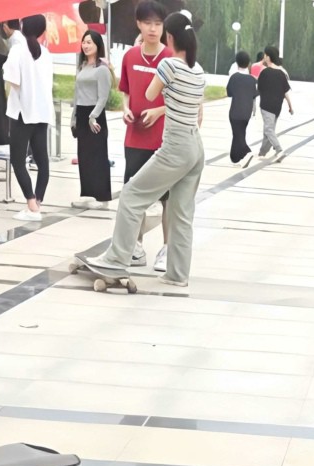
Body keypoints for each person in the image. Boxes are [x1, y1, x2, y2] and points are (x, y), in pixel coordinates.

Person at [82, 11, 205, 287]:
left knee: (131, 194)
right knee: (181, 213)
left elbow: (149, 94)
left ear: (169, 36)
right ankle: (177, 274)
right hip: (195, 146)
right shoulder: (198, 70)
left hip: (175, 145)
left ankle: (116, 260)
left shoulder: (169, 65)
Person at [119, 0, 172, 271]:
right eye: (148, 23)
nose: (153, 29)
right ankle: (135, 247)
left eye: (158, 24)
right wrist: (126, 109)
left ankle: (167, 249)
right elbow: (125, 91)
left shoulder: (171, 59)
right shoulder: (130, 56)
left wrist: (159, 111)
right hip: (135, 138)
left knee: (168, 198)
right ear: (138, 24)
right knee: (133, 194)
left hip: (164, 140)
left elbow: (183, 99)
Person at [4, 15, 52, 222]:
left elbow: (13, 81)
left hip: (22, 112)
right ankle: (37, 203)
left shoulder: (18, 50)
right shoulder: (46, 53)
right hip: (42, 113)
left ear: (23, 27)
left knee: (17, 160)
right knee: (42, 161)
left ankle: (32, 206)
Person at [71, 29, 112, 210]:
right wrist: (74, 117)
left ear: (97, 45)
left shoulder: (102, 69)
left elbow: (103, 97)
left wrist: (93, 116)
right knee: (84, 156)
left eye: (90, 42)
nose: (86, 46)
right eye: (84, 42)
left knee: (98, 156)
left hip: (95, 116)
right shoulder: (82, 67)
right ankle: (87, 194)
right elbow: (76, 94)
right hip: (81, 113)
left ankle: (102, 198)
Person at [257, 45, 293, 160]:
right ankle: (262, 152)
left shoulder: (264, 72)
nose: (264, 57)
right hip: (277, 107)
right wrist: (290, 106)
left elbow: (259, 88)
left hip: (266, 105)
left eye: (265, 55)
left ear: (268, 57)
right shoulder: (281, 73)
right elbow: (285, 92)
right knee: (269, 130)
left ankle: (279, 150)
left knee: (268, 130)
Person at [226, 49, 255, 167]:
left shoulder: (234, 77)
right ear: (248, 64)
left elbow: (229, 93)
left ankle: (247, 152)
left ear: (237, 63)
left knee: (238, 134)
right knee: (239, 134)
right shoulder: (252, 79)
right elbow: (254, 95)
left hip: (235, 111)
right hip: (247, 112)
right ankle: (235, 158)